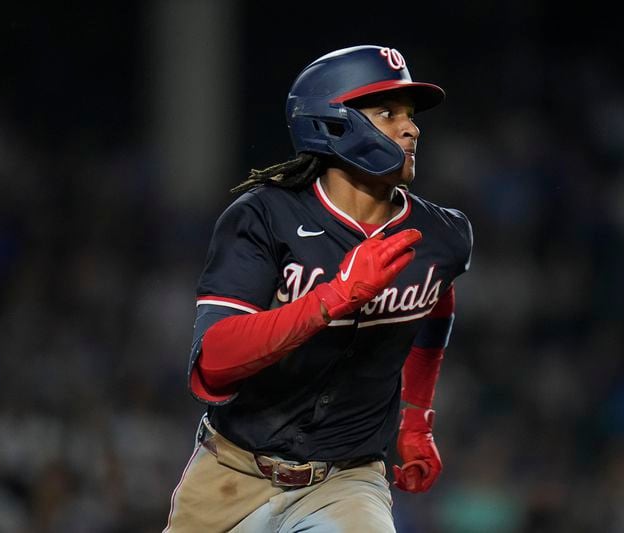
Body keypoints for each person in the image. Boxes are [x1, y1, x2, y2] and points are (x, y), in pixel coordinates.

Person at [164, 44, 473, 532]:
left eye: (410, 116)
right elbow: (213, 363)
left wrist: (416, 417)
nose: (411, 128)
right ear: (332, 121)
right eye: (387, 113)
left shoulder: (444, 236)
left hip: (346, 484)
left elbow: (437, 302)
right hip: (231, 475)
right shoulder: (264, 217)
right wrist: (331, 298)